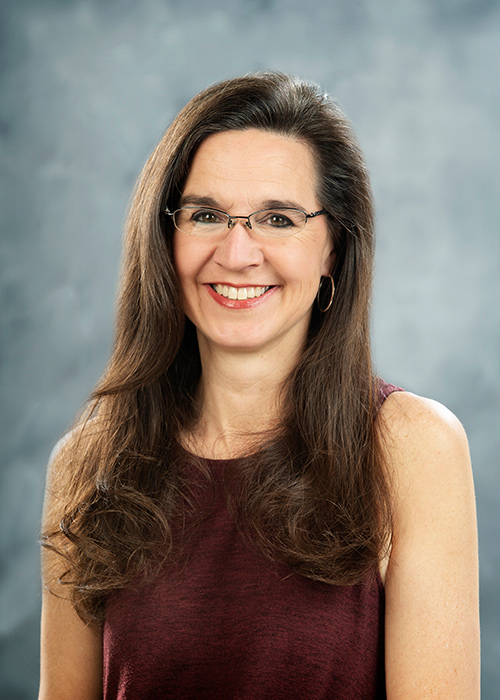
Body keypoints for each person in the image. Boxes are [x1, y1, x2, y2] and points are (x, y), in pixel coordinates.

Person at [39, 72, 480, 700]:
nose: (238, 252)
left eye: (278, 218)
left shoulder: (411, 447)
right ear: (165, 238)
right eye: (206, 215)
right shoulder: (88, 464)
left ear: (334, 249)